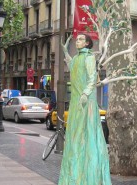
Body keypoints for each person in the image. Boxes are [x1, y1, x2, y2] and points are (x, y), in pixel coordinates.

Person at [58, 34, 112, 185]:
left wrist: (86, 93)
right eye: (77, 39)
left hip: (85, 103)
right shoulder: (76, 58)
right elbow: (72, 67)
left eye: (81, 39)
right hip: (76, 103)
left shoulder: (89, 58)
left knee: (86, 138)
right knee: (74, 140)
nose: (77, 41)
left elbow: (91, 78)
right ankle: (76, 177)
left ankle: (88, 177)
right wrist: (66, 53)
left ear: (88, 43)